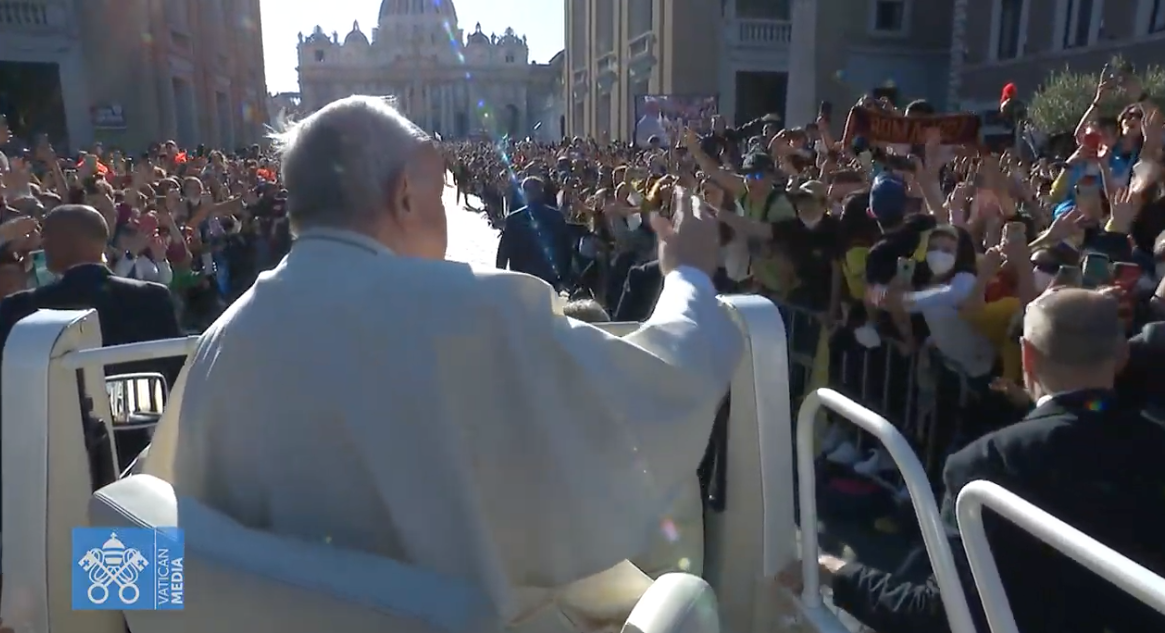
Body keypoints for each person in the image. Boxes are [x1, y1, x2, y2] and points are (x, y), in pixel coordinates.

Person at [144, 96, 742, 633]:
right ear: (405, 193)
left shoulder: (217, 345)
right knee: (685, 597)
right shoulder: (479, 311)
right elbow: (666, 383)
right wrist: (687, 273)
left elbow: (135, 549)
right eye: (438, 192)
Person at [797, 288, 1165, 633]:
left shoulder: (987, 465)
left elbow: (942, 614)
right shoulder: (1153, 441)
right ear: (1122, 355)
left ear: (1026, 355)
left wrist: (836, 572)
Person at [0, 204, 183, 469]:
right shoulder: (153, 297)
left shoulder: (22, 307)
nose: (42, 244)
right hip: (137, 450)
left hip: (47, 454)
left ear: (67, 241)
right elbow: (175, 375)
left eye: (47, 236)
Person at [495, 176, 572, 290]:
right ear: (542, 192)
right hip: (548, 277)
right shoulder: (556, 216)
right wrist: (564, 277)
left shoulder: (514, 218)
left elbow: (504, 250)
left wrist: (500, 274)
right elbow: (566, 248)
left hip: (521, 275)